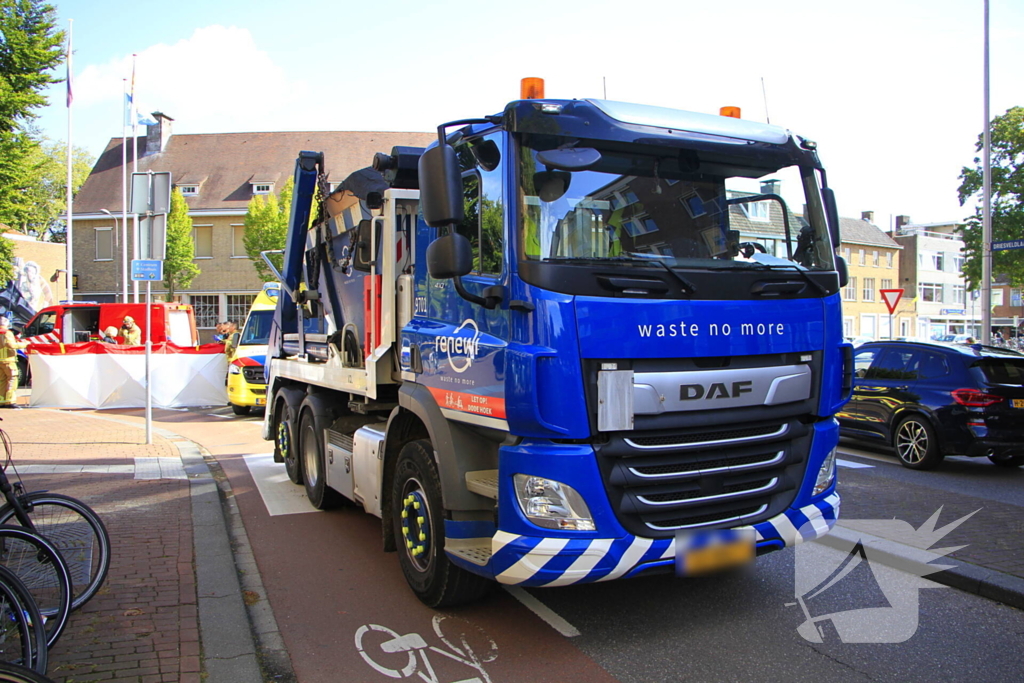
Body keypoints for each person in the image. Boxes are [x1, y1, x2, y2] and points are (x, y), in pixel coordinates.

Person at [0, 317, 27, 409]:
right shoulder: (7, 333)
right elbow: (10, 345)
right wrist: (24, 344)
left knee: (2, 381)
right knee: (12, 380)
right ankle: (10, 401)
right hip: (9, 360)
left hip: (0, 361)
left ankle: (1, 401)